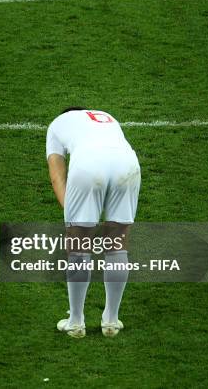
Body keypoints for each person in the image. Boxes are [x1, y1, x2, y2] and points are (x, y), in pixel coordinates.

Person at [46, 107, 140, 338]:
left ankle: (76, 321)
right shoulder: (106, 116)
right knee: (117, 243)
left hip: (89, 164)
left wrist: (75, 219)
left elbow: (58, 175)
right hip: (127, 163)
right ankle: (111, 320)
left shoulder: (57, 124)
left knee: (78, 247)